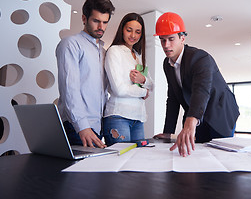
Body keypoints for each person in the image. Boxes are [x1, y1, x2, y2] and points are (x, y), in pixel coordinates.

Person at [153, 12, 240, 157]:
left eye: (171, 39)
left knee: (221, 156)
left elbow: (201, 90)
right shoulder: (167, 64)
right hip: (198, 114)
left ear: (182, 38)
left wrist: (191, 121)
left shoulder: (200, 58)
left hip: (219, 112)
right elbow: (173, 97)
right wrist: (168, 132)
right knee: (199, 155)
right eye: (162, 40)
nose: (166, 45)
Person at [56, 0, 115, 148]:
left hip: (97, 129)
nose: (101, 27)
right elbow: (69, 88)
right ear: (84, 18)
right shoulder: (71, 44)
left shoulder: (103, 51)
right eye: (96, 21)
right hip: (77, 128)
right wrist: (82, 126)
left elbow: (106, 90)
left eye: (105, 22)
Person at [103, 13, 153, 146]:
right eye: (129, 30)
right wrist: (144, 92)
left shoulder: (138, 57)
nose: (133, 35)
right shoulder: (114, 51)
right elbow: (119, 89)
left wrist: (143, 80)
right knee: (120, 163)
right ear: (122, 30)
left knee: (136, 162)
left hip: (138, 118)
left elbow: (152, 85)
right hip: (118, 116)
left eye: (137, 32)